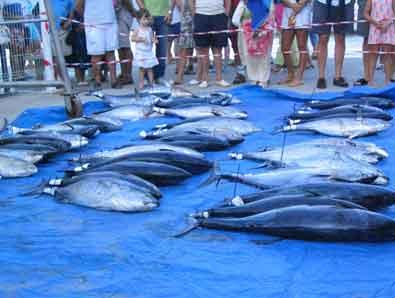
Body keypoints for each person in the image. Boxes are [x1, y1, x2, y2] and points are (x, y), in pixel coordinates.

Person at [76, 0, 120, 89]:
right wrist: (88, 17)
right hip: (93, 24)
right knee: (96, 54)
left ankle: (114, 80)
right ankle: (97, 81)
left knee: (111, 52)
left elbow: (117, 3)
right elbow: (78, 6)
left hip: (110, 21)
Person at [312, 0, 354, 89]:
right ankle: (321, 77)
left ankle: (338, 76)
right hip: (322, 2)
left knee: (340, 38)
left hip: (344, 3)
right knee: (323, 38)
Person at [232, 0, 274, 87]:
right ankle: (253, 79)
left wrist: (262, 27)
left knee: (264, 56)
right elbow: (235, 20)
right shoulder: (243, 2)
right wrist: (245, 27)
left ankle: (263, 80)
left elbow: (271, 16)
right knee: (249, 57)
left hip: (264, 31)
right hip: (247, 33)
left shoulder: (268, 2)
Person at [191, 0, 231, 88]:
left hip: (219, 15)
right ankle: (205, 79)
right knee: (203, 50)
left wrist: (226, 13)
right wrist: (194, 13)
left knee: (218, 49)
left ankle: (219, 79)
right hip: (201, 15)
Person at [136, 0, 170, 82]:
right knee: (145, 49)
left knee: (162, 48)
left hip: (163, 17)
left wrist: (170, 11)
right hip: (148, 17)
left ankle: (159, 76)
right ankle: (145, 77)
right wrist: (146, 14)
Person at [279, 0, 312, 87]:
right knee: (284, 47)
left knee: (302, 46)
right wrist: (291, 5)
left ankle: (299, 77)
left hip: (303, 11)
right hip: (288, 10)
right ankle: (291, 74)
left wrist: (299, 6)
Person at [364, 0, 395, 86]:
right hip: (375, 27)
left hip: (388, 28)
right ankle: (370, 81)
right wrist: (375, 22)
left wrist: (388, 23)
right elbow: (366, 13)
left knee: (387, 54)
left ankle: (387, 81)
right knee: (373, 54)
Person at [131, 8, 159, 89]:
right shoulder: (137, 29)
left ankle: (152, 83)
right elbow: (132, 38)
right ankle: (141, 83)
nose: (146, 21)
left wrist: (154, 40)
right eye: (144, 19)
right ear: (139, 19)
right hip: (141, 52)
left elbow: (151, 38)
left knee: (150, 68)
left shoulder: (149, 29)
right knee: (142, 69)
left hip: (148, 52)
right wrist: (140, 39)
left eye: (147, 19)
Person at [65, 9, 90, 85]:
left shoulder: (87, 12)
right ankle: (79, 79)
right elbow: (66, 25)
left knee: (84, 58)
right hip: (76, 39)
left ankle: (82, 79)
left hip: (85, 38)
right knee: (76, 59)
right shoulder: (72, 12)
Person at [174, 0, 195, 85]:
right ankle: (180, 76)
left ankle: (202, 77)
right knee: (183, 49)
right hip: (187, 20)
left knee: (201, 49)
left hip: (198, 17)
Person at [116, 0, 136, 86]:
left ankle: (128, 75)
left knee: (125, 47)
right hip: (120, 15)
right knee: (120, 47)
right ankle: (124, 73)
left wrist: (133, 11)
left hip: (123, 15)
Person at [354, 0, 369, 86]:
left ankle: (389, 76)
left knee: (389, 42)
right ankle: (367, 76)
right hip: (365, 3)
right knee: (367, 38)